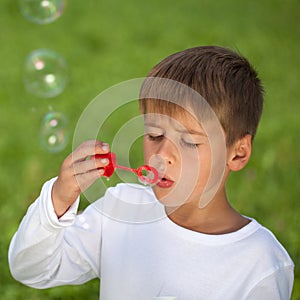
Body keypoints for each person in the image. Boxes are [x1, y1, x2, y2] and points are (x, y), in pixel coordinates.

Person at [9, 46, 294, 299]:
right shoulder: (121, 213)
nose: (162, 155)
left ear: (238, 153)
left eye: (189, 142)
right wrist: (58, 201)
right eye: (154, 134)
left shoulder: (261, 263)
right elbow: (32, 269)